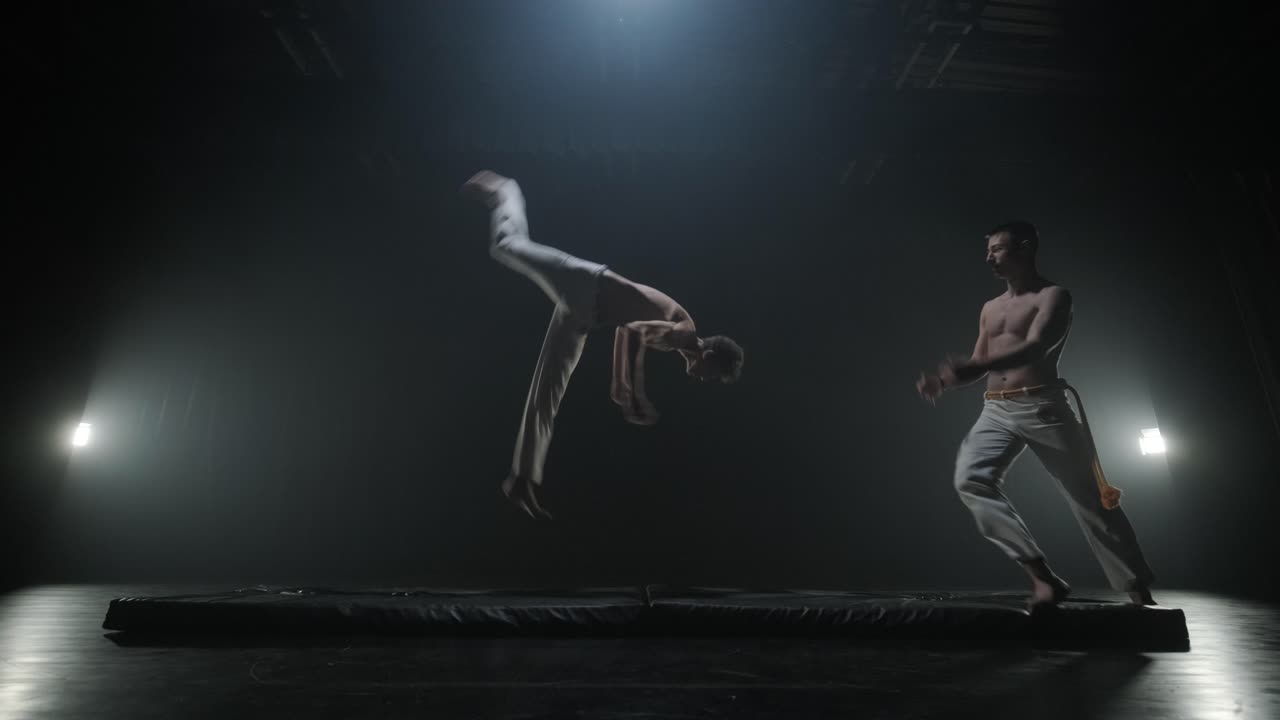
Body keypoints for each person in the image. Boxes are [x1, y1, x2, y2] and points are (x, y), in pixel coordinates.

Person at [461, 170, 744, 519]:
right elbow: (637, 330)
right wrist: (632, 390)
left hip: (585, 318)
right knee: (505, 246)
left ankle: (522, 479)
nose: (702, 378)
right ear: (710, 355)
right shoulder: (685, 333)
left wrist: (621, 381)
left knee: (547, 392)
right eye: (710, 374)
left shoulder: (678, 341)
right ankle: (507, 191)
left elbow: (626, 331)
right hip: (586, 283)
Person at [916, 221, 1156, 607]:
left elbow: (1036, 347)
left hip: (1043, 406)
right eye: (989, 249)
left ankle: (1136, 589)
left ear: (1025, 249)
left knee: (1089, 499)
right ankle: (1043, 578)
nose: (989, 257)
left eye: (998, 249)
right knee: (971, 481)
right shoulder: (990, 307)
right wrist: (945, 381)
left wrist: (968, 367)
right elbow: (979, 363)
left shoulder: (1054, 296)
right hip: (995, 409)